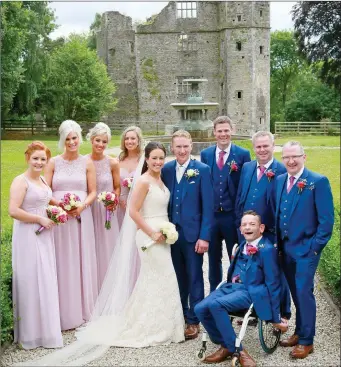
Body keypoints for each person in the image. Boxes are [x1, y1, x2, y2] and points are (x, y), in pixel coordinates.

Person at [21, 142, 185, 366]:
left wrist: (165, 231)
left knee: (160, 279)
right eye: (154, 158)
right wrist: (151, 232)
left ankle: (164, 323)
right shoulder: (144, 181)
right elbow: (133, 211)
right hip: (149, 235)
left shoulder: (160, 180)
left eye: (160, 158)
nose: (157, 162)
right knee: (158, 276)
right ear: (146, 160)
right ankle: (149, 326)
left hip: (162, 235)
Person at [194, 211, 288, 367]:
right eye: (244, 224)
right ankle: (226, 345)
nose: (247, 227)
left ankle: (240, 351)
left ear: (261, 228)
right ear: (240, 229)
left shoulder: (267, 249)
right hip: (230, 286)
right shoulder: (242, 245)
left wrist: (276, 316)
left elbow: (273, 283)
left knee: (216, 305)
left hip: (250, 290)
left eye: (252, 224)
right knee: (199, 308)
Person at [275, 141, 334, 359]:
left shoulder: (317, 182)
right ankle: (299, 332)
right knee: (295, 293)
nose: (291, 161)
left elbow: (326, 222)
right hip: (285, 249)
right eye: (287, 157)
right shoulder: (281, 180)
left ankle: (307, 341)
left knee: (303, 293)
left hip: (306, 251)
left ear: (304, 157)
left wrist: (313, 248)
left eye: (295, 157)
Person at [44, 120, 98, 331]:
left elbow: (92, 191)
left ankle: (81, 310)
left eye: (74, 138)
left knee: (79, 259)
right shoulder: (53, 163)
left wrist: (82, 206)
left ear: (79, 138)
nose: (72, 142)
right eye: (67, 139)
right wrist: (60, 205)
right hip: (59, 219)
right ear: (62, 140)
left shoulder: (87, 163)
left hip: (80, 217)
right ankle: (60, 311)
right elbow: (46, 189)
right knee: (61, 261)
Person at [9, 141, 63, 349]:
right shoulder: (20, 181)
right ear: (27, 158)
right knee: (31, 278)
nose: (39, 162)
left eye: (43, 159)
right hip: (27, 235)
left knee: (45, 277)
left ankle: (46, 330)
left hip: (44, 235)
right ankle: (31, 334)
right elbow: (13, 211)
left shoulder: (41, 179)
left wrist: (62, 205)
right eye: (36, 158)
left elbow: (43, 199)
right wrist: (39, 219)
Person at [162, 130, 214, 340]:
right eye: (178, 146)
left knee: (194, 277)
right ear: (171, 148)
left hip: (193, 236)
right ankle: (179, 314)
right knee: (176, 277)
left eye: (185, 146)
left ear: (191, 146)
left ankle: (194, 319)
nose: (182, 150)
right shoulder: (165, 169)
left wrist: (205, 236)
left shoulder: (202, 170)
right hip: (170, 235)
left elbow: (208, 207)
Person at [235, 131, 291, 320]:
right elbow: (241, 197)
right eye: (258, 146)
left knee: (275, 275)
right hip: (248, 231)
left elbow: (285, 205)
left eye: (266, 146)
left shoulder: (282, 170)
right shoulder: (247, 167)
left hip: (270, 233)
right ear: (254, 148)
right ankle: (254, 310)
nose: (262, 150)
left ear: (273, 146)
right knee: (250, 271)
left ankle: (283, 313)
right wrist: (239, 225)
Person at [200, 116, 251, 292]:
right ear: (214, 133)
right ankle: (215, 294)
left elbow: (245, 185)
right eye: (220, 131)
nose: (223, 134)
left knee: (235, 257)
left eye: (226, 131)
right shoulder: (206, 155)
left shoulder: (243, 155)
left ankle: (234, 294)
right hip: (212, 216)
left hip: (232, 216)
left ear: (232, 131)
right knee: (213, 258)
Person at [87, 122, 121, 290]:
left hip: (107, 210)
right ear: (91, 140)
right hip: (89, 209)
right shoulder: (83, 161)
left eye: (104, 142)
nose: (101, 145)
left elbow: (117, 186)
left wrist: (113, 199)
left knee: (107, 247)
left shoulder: (112, 163)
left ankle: (109, 287)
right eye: (97, 140)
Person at [117, 126, 143, 228]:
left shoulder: (144, 161)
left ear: (138, 141)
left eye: (133, 138)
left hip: (138, 207)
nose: (129, 141)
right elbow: (114, 184)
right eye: (126, 139)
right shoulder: (118, 160)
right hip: (120, 205)